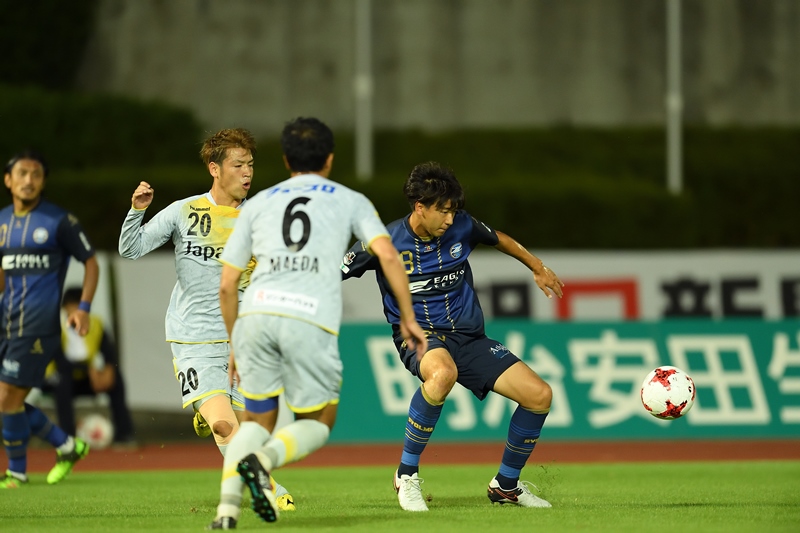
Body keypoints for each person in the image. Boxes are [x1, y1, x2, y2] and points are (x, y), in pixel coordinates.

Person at [207, 117, 427, 529]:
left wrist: (236, 342)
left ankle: (226, 513)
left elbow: (227, 284)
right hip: (307, 318)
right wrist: (409, 318)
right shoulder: (350, 200)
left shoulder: (258, 203)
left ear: (286, 159)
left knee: (255, 421)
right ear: (329, 159)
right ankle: (264, 462)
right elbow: (388, 255)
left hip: (256, 316)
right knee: (318, 422)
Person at [341, 161, 565, 511]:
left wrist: (537, 266)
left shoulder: (462, 225)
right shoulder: (382, 242)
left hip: (470, 338)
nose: (449, 219)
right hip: (420, 335)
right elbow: (334, 271)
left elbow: (499, 239)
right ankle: (406, 475)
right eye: (443, 211)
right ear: (420, 207)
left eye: (453, 210)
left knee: (539, 395)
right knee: (442, 373)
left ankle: (506, 485)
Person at [118, 128, 294, 509]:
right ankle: (269, 489)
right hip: (194, 338)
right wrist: (137, 211)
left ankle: (208, 410)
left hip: (242, 340)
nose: (247, 173)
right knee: (224, 425)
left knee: (252, 430)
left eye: (250, 165)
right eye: (238, 165)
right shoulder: (184, 211)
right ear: (215, 169)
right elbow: (130, 249)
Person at [0, 150, 99, 488]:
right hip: (6, 323)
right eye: (22, 173)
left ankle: (17, 472)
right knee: (7, 399)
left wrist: (83, 308)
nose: (29, 180)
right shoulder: (1, 221)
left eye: (36, 174)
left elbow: (91, 263)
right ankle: (67, 446)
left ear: (43, 182)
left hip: (37, 326)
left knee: (7, 397)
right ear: (8, 180)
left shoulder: (59, 221)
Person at [38, 287, 136, 446]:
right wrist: (89, 370)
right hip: (55, 377)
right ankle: (68, 439)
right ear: (65, 307)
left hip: (84, 378)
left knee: (116, 380)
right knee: (63, 382)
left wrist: (109, 370)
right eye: (74, 306)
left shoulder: (95, 323)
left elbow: (109, 352)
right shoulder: (54, 326)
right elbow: (61, 362)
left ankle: (124, 434)